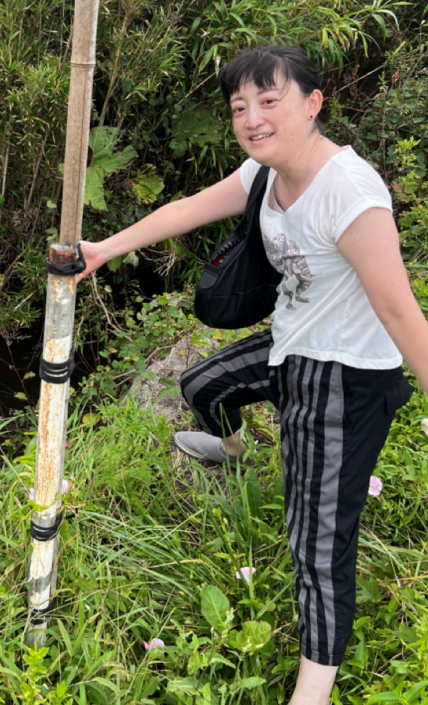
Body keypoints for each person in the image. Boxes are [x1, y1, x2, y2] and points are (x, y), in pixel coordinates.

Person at [76, 44, 428, 704]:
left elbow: (398, 310)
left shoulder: (350, 193)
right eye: (240, 107)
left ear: (312, 103)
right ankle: (235, 448)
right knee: (201, 386)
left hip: (345, 376)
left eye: (269, 101)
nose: (252, 118)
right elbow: (187, 208)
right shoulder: (265, 173)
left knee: (316, 541)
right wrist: (103, 249)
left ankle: (311, 693)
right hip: (292, 345)